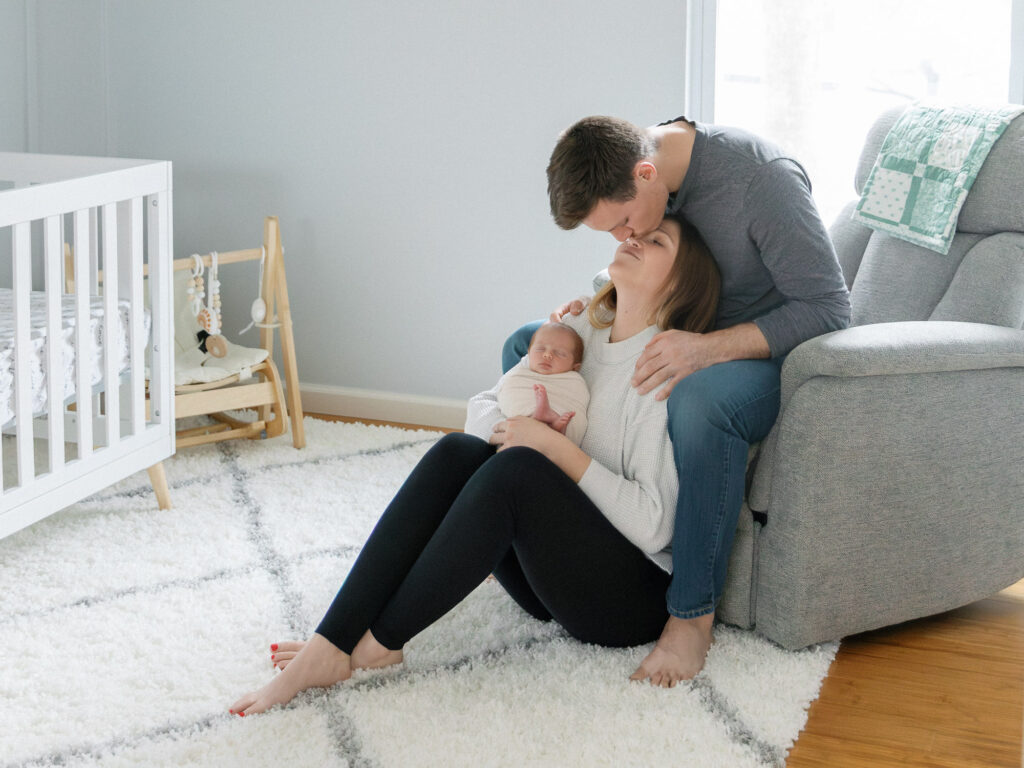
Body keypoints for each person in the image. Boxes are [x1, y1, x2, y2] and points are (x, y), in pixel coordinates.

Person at [229, 215, 721, 716]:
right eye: (640, 232)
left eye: (657, 240)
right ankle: (330, 644)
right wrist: (519, 433)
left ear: (682, 282)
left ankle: (380, 644)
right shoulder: (578, 330)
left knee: (519, 471)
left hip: (622, 603)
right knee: (458, 451)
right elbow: (482, 407)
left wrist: (553, 450)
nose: (634, 237)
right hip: (546, 579)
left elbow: (654, 525)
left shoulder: (663, 368)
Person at [503, 114, 851, 684]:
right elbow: (646, 269)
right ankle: (555, 535)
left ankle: (691, 616)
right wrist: (592, 310)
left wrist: (708, 349)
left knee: (699, 400)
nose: (623, 238)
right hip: (682, 327)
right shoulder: (640, 168)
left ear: (646, 175)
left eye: (621, 224)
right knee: (529, 343)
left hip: (763, 354)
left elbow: (829, 309)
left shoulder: (760, 181)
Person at [494, 322, 590, 445]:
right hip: (520, 431)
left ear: (575, 367)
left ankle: (550, 422)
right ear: (528, 353)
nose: (547, 355)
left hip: (555, 448)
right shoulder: (520, 373)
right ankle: (541, 419)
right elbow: (507, 391)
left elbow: (577, 404)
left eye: (560, 353)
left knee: (566, 422)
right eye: (540, 349)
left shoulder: (573, 381)